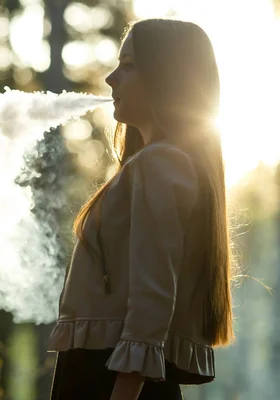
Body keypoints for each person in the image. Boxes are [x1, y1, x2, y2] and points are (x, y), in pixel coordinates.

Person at [47, 18, 235, 400]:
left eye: (128, 65)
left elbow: (153, 291)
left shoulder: (159, 163)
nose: (111, 79)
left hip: (113, 380)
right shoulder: (157, 163)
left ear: (166, 76)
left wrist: (126, 390)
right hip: (116, 374)